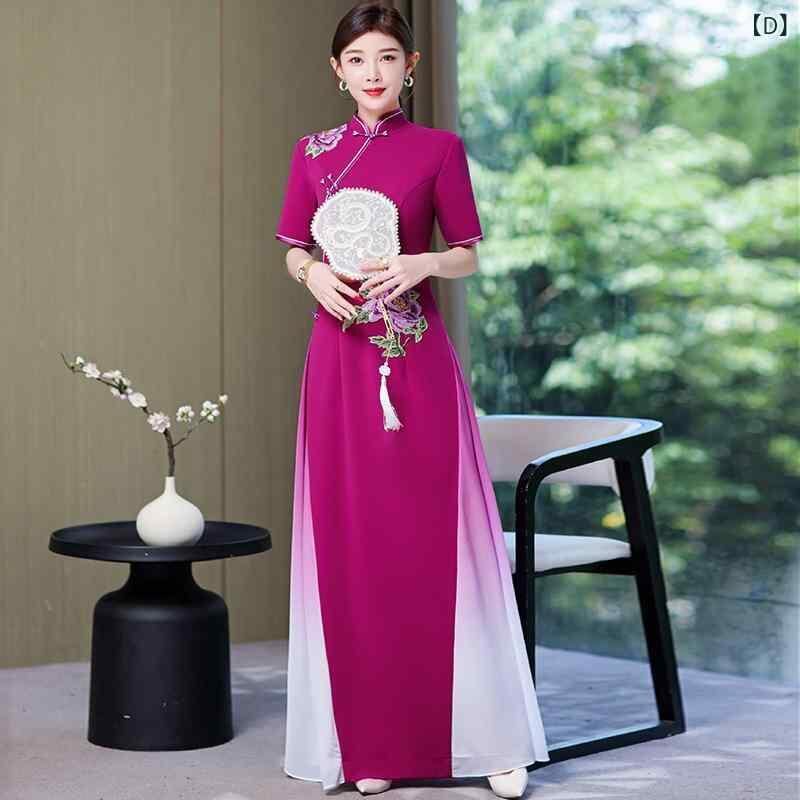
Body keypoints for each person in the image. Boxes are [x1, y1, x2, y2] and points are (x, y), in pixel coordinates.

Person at [274, 3, 549, 796]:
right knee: (355, 547)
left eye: (388, 57)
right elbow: (293, 246)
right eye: (358, 59)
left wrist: (422, 265)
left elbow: (466, 255)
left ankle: (488, 743)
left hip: (416, 363)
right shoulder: (312, 153)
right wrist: (311, 273)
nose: (373, 72)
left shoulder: (439, 150)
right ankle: (375, 748)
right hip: (339, 365)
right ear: (338, 70)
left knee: (437, 540)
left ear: (411, 66)